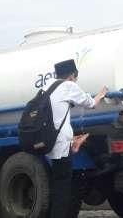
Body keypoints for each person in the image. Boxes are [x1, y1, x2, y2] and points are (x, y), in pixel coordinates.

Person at [47, 59, 107, 218]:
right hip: (61, 146)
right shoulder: (68, 86)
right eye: (76, 77)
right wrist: (100, 95)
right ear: (72, 75)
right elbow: (90, 103)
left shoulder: (46, 87)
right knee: (63, 189)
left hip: (49, 142)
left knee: (57, 184)